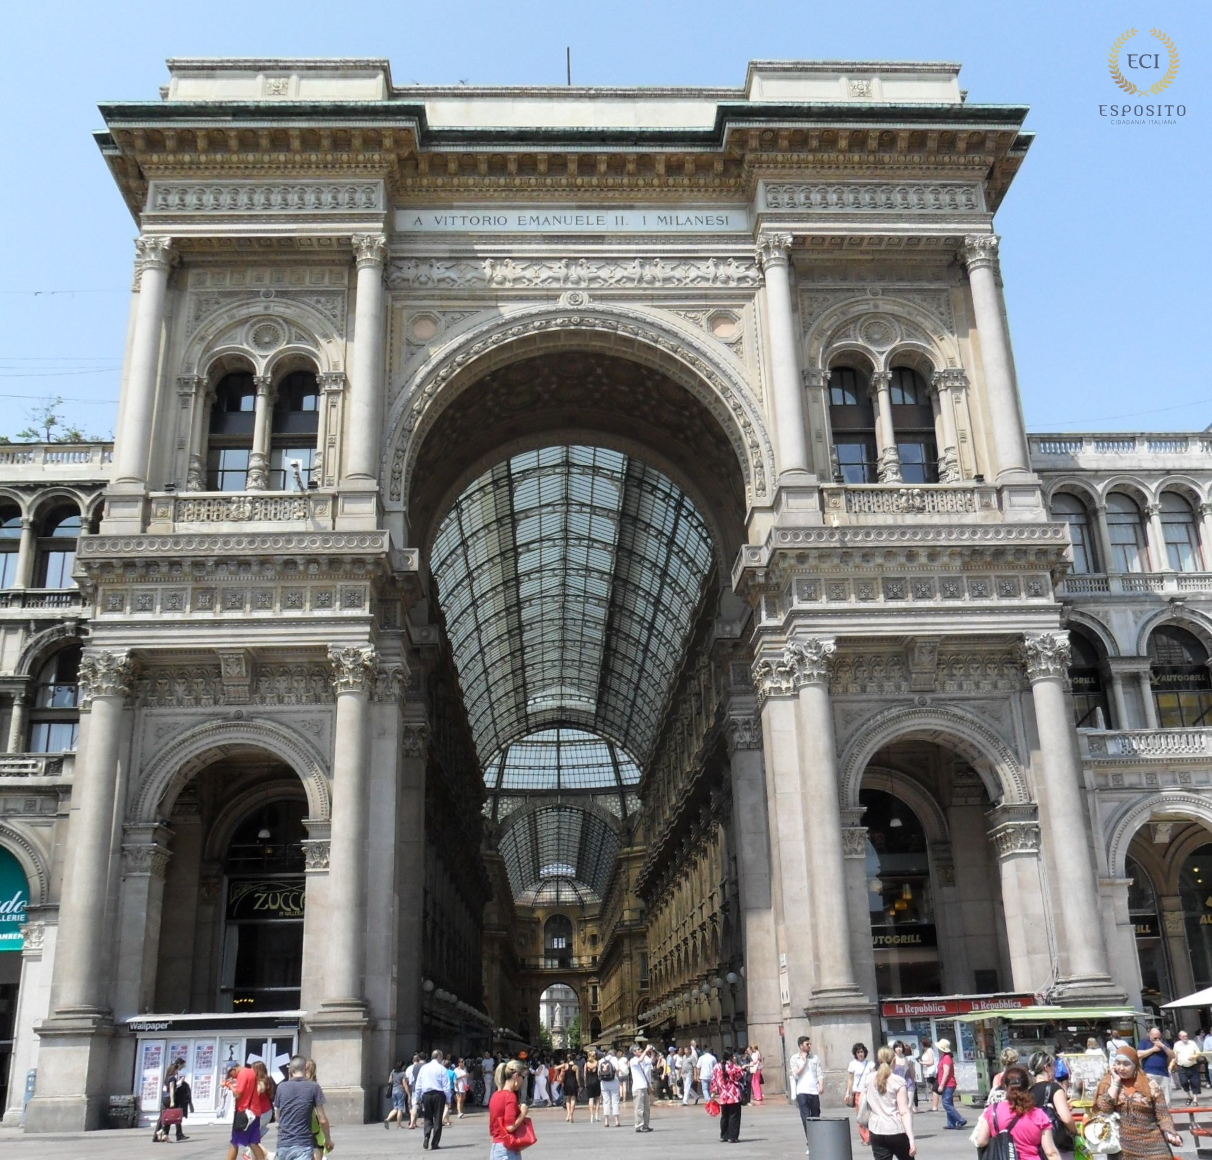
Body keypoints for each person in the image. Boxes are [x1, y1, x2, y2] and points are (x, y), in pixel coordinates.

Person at [1091, 1045, 1183, 1160]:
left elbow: (1163, 1114)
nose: (1121, 1068)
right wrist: (1115, 1083)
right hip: (1122, 1149)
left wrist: (1170, 1132)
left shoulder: (1150, 1085)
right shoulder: (1107, 1083)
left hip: (1154, 1146)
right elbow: (1104, 1108)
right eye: (1118, 1063)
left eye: (1126, 1064)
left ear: (1135, 1065)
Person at [973, 1066, 1060, 1160]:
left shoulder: (993, 1110)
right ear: (1027, 1087)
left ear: (1006, 1087)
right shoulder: (1039, 1115)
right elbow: (1050, 1152)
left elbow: (981, 1141)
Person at [860, 1046, 916, 1160]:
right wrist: (911, 1138)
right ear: (893, 1061)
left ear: (878, 1061)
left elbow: (862, 1101)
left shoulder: (869, 1079)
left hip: (876, 1130)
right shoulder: (898, 1081)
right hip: (895, 1129)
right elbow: (904, 1112)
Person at [272, 1055, 332, 1160]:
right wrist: (327, 1139)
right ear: (306, 1068)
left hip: (283, 1143)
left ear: (290, 1070)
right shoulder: (313, 1087)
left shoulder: (281, 1088)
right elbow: (322, 1119)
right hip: (303, 1144)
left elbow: (277, 1116)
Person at [1028, 1051, 1077, 1153]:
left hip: (1033, 1143)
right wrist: (1076, 1132)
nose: (1055, 1070)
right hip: (1054, 1144)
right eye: (1053, 1067)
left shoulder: (1027, 1090)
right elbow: (1066, 1118)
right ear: (1046, 1067)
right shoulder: (1054, 1088)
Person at [489, 1059, 532, 1160]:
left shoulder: (495, 1095)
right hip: (507, 1149)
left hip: (496, 1146)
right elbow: (510, 1127)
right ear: (516, 1076)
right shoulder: (510, 1096)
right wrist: (523, 1113)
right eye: (523, 1077)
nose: (523, 1081)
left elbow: (492, 1127)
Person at [224, 1060, 265, 1159]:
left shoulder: (242, 1074)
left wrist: (230, 1086)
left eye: (230, 1074)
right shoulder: (250, 1071)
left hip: (244, 1113)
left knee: (234, 1142)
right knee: (253, 1142)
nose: (232, 1077)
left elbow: (238, 1094)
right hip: (254, 1112)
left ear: (233, 1069)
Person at [415, 1047, 453, 1150]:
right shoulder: (442, 1069)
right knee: (437, 1118)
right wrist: (448, 1099)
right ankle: (434, 1142)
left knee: (427, 1117)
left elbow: (418, 1084)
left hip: (426, 1095)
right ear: (439, 1057)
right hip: (438, 1095)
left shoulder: (424, 1068)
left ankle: (426, 1136)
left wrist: (417, 1098)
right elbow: (446, 1086)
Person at [791, 1034, 824, 1140]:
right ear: (801, 1046)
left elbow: (819, 1073)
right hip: (802, 1090)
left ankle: (816, 1139)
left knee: (815, 1115)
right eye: (807, 1044)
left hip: (813, 1090)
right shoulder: (794, 1058)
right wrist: (803, 1063)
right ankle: (810, 1140)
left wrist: (821, 1085)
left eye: (810, 1044)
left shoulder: (815, 1058)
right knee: (805, 1116)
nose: (809, 1046)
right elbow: (796, 1074)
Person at [711, 1051, 747, 1144]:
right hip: (733, 1095)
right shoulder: (732, 1066)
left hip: (723, 1095)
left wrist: (713, 1091)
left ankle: (724, 1135)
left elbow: (714, 1080)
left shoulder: (716, 1067)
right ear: (730, 1057)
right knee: (734, 1116)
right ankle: (733, 1137)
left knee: (724, 1116)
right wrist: (742, 1068)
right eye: (733, 1056)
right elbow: (738, 1076)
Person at [154, 1057, 190, 1144]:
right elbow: (172, 1089)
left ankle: (163, 1134)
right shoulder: (172, 1078)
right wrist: (172, 1101)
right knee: (170, 1117)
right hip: (169, 1099)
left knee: (168, 1117)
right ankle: (162, 1133)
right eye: (182, 1065)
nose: (183, 1067)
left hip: (165, 1098)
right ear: (178, 1065)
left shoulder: (168, 1076)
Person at [935, 1038, 967, 1129]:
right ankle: (951, 1123)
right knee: (949, 1103)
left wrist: (941, 1085)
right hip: (948, 1083)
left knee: (946, 1103)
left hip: (948, 1084)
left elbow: (946, 1072)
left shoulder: (946, 1058)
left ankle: (960, 1119)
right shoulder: (944, 1057)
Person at [1138, 1027, 1175, 1104]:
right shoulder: (1144, 1042)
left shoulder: (1164, 1043)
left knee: (1166, 1098)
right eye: (1155, 1038)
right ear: (1149, 1035)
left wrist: (1163, 1046)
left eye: (1159, 1037)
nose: (1157, 1040)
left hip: (1164, 1074)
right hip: (1149, 1073)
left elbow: (1173, 1056)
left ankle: (1165, 1113)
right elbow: (1138, 1054)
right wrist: (1153, 1050)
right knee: (1151, 1096)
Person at [1174, 1030, 1202, 1105]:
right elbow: (1175, 1055)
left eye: (1186, 1036)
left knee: (1195, 1082)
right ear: (1180, 1037)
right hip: (1181, 1066)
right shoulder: (1177, 1044)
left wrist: (1194, 1057)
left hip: (1192, 1065)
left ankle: (1195, 1100)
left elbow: (1198, 1053)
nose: (1185, 1037)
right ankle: (1189, 1097)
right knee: (1183, 1082)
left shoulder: (1192, 1043)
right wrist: (1173, 1065)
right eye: (1183, 1036)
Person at [631, 1045, 654, 1132]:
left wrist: (652, 1052)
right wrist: (646, 1050)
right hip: (638, 1087)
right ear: (634, 1052)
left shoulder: (644, 1058)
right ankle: (638, 1125)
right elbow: (639, 1060)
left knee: (646, 1108)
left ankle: (646, 1125)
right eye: (638, 1049)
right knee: (639, 1108)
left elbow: (651, 1060)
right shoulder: (633, 1060)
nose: (640, 1050)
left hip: (645, 1086)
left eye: (640, 1049)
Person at [598, 1047, 621, 1127]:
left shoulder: (601, 1060)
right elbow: (617, 1069)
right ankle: (616, 1121)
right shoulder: (614, 1059)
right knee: (615, 1101)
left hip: (604, 1082)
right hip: (613, 1081)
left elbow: (599, 1072)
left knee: (606, 1101)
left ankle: (606, 1121)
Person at [846, 1043, 874, 1107]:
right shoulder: (852, 1064)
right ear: (855, 1054)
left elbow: (873, 1078)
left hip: (868, 1091)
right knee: (859, 1112)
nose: (860, 1054)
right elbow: (850, 1079)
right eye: (858, 1052)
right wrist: (848, 1092)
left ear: (864, 1052)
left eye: (861, 1052)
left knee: (868, 1112)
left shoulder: (870, 1064)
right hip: (857, 1091)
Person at [385, 1059, 409, 1128]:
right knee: (400, 1108)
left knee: (395, 1108)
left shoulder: (393, 1072)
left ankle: (387, 1119)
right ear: (403, 1066)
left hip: (394, 1091)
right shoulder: (403, 1074)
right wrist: (408, 1094)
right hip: (400, 1091)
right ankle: (399, 1124)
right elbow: (404, 1084)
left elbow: (389, 1081)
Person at [919, 1038, 939, 1113]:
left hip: (931, 1072)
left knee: (934, 1089)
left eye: (921, 1044)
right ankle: (934, 1105)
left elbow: (931, 1062)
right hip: (928, 1072)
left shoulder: (929, 1051)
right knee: (932, 1089)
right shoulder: (926, 1051)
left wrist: (922, 1062)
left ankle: (935, 1106)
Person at [697, 1042, 718, 1110]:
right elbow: (716, 1067)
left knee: (705, 1089)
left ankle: (708, 1100)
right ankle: (710, 1098)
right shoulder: (713, 1058)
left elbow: (698, 1067)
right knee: (710, 1089)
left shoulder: (701, 1058)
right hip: (711, 1075)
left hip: (703, 1075)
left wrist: (698, 1075)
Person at [407, 1053, 424, 1128]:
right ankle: (415, 1122)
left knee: (414, 1106)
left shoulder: (410, 1068)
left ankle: (412, 1123)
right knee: (423, 1106)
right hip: (423, 1087)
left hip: (413, 1087)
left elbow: (407, 1079)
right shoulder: (424, 1066)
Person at [563, 1055, 579, 1121]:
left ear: (568, 1059)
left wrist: (561, 1074)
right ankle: (571, 1115)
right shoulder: (576, 1067)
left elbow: (556, 1068)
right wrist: (579, 1084)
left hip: (567, 1083)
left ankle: (568, 1114)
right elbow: (577, 1077)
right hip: (573, 1083)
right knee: (573, 1099)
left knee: (567, 1099)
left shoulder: (565, 1065)